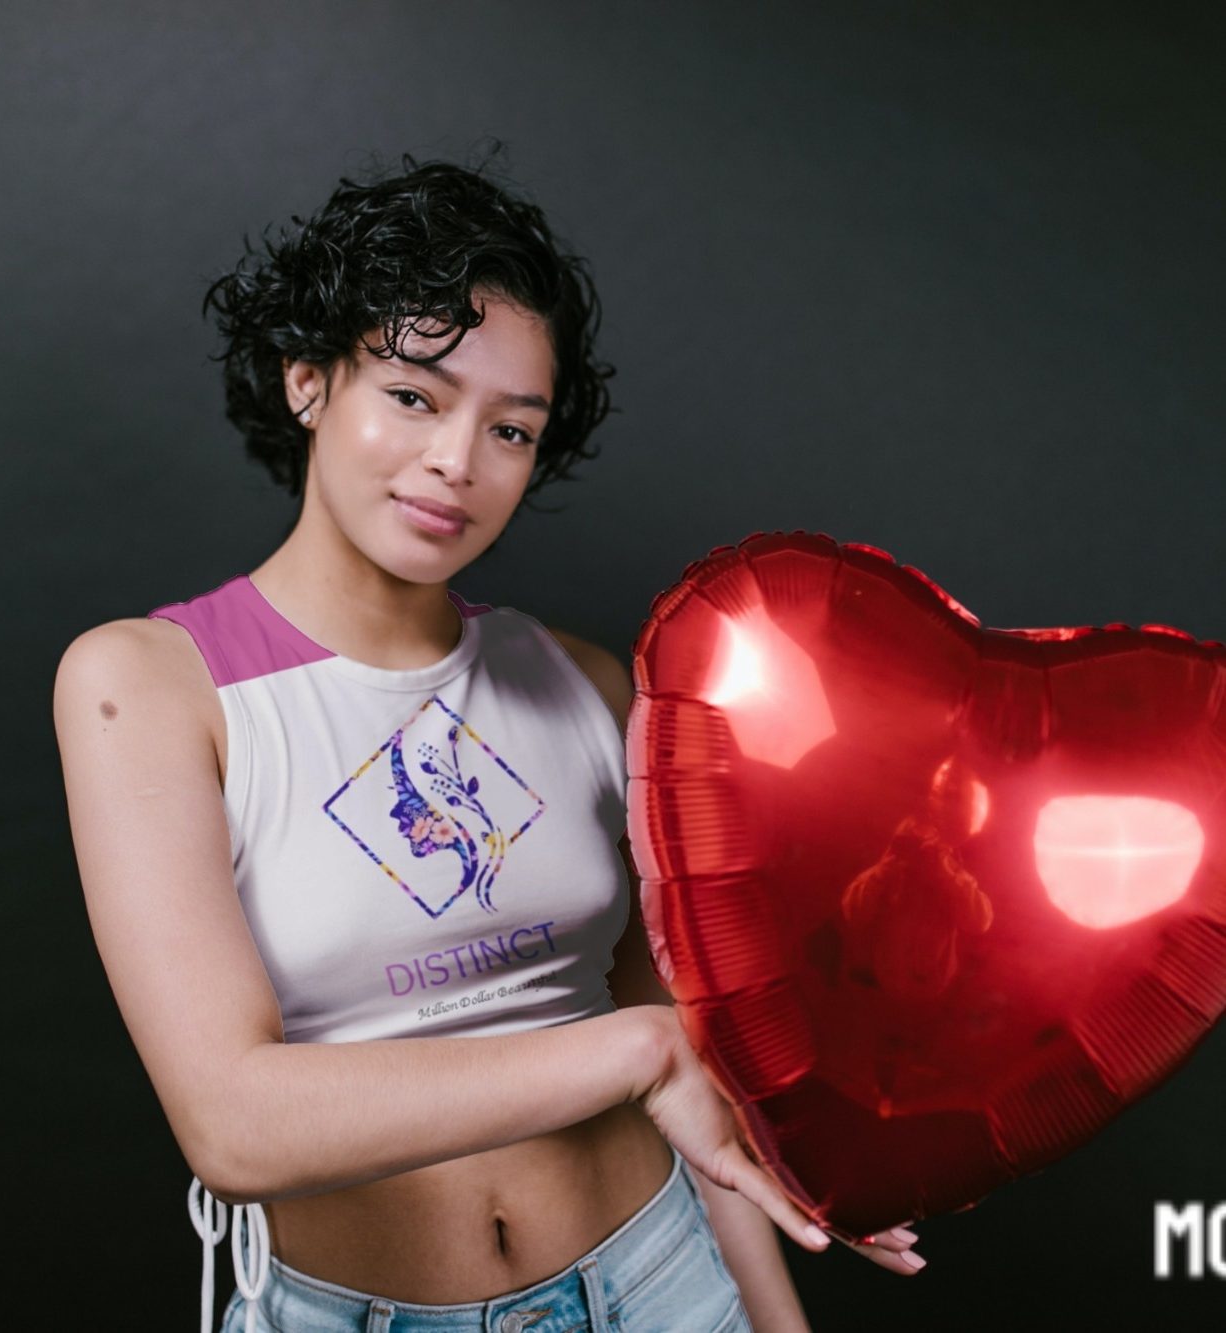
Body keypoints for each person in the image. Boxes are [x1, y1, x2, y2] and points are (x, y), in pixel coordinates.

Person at [53, 152, 924, 1333]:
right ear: (307, 381)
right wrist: (637, 1053)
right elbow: (234, 1122)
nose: (458, 462)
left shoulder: (581, 682)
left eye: (511, 429)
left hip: (658, 1281)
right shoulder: (151, 685)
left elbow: (695, 1105)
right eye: (414, 396)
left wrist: (771, 1319)